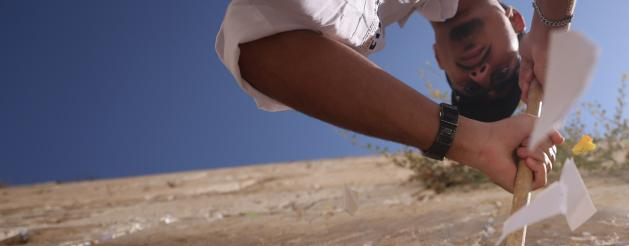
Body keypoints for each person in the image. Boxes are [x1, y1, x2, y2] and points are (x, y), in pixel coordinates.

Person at [215, 1, 577, 192]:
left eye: (468, 85)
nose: (481, 73)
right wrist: (552, 28)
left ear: (439, 60)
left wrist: (472, 143)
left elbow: (259, 43)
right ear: (516, 21)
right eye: (501, 73)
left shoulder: (366, 18)